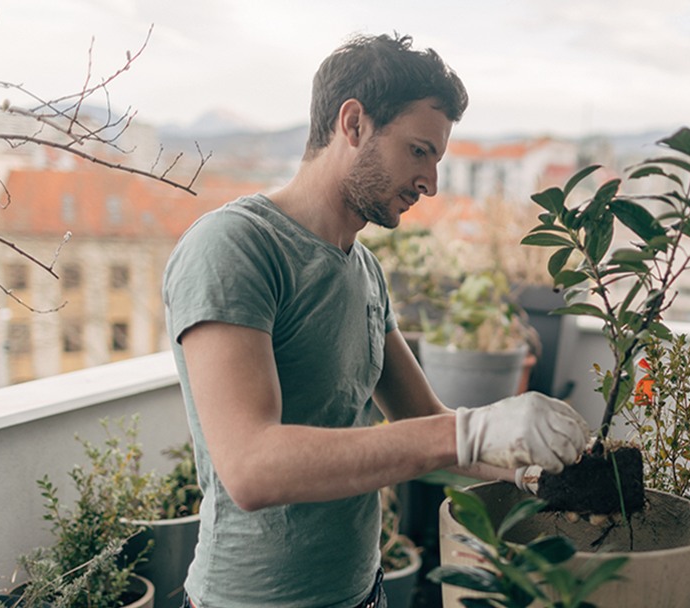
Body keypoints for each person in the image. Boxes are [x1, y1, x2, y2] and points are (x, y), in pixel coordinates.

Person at [162, 32, 590, 608]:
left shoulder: (363, 268)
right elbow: (251, 467)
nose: (431, 184)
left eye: (436, 161)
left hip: (364, 591)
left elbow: (427, 422)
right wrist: (473, 429)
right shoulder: (235, 246)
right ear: (354, 124)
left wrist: (530, 466)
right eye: (419, 151)